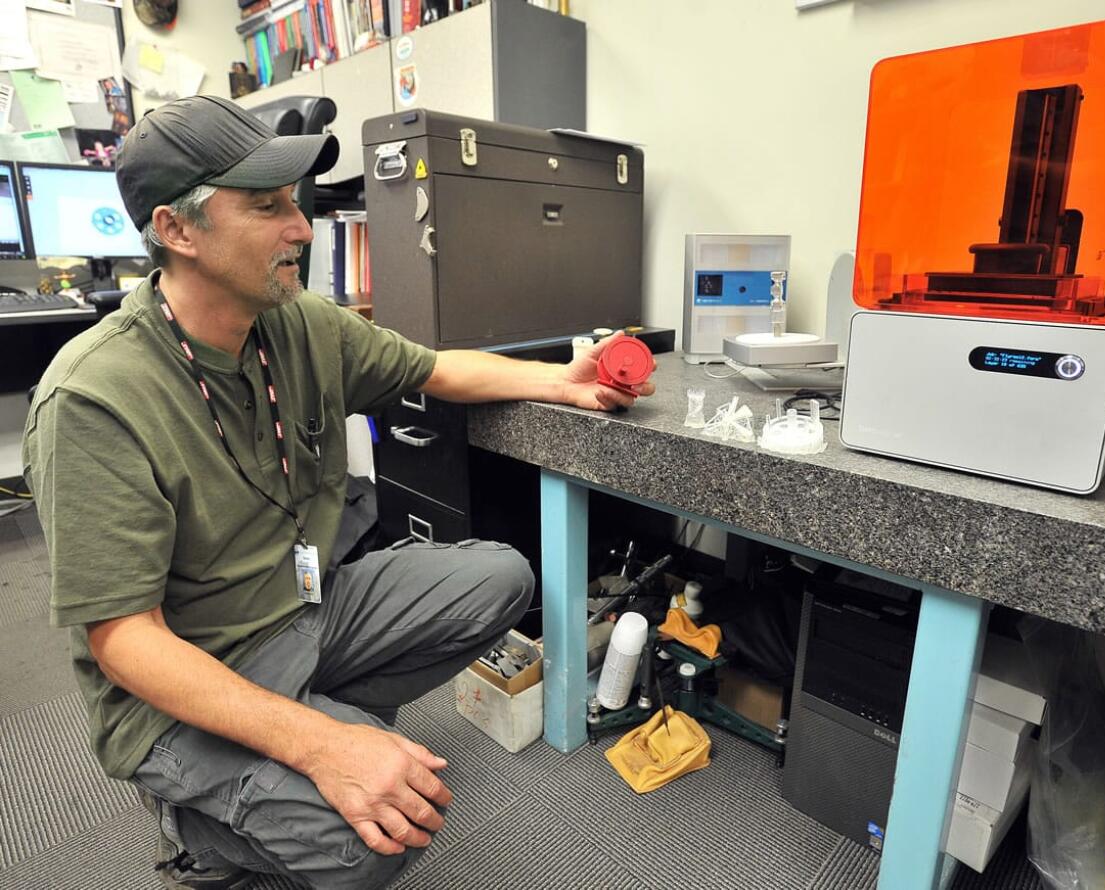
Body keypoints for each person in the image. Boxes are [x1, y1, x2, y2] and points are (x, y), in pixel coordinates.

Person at [21, 95, 655, 890]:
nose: (302, 228)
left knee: (500, 578)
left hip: (302, 609)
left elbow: (434, 368)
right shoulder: (94, 398)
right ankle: (201, 833)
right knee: (379, 844)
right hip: (184, 676)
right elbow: (125, 642)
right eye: (267, 207)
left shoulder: (297, 323)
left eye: (296, 203)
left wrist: (562, 381)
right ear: (176, 230)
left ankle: (312, 721)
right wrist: (323, 745)